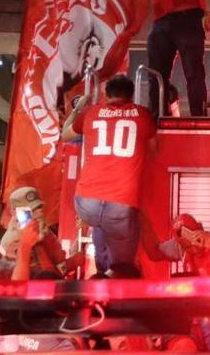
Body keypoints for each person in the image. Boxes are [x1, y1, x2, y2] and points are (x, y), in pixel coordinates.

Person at [62, 74, 157, 273]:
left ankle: (101, 274)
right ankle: (112, 277)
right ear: (131, 96)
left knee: (100, 223)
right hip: (120, 204)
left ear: (106, 95)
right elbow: (153, 150)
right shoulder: (142, 114)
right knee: (122, 267)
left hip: (85, 202)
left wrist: (79, 107)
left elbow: (66, 134)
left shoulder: (91, 112)